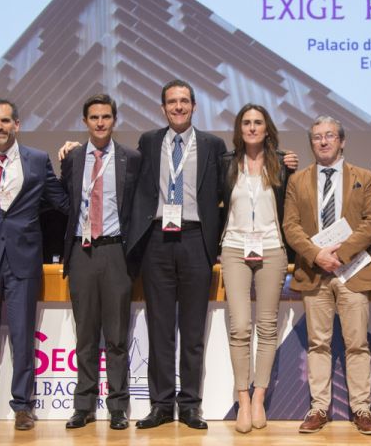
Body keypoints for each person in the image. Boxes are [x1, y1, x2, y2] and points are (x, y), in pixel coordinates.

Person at [0, 99, 69, 432]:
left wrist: (74, 164)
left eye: (5, 121)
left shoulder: (36, 160)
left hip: (23, 258)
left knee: (23, 337)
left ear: (17, 124)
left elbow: (61, 200)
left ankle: (23, 406)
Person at [129, 79, 227, 431]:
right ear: (163, 108)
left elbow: (232, 182)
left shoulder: (214, 145)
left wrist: (281, 158)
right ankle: (160, 404)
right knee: (159, 327)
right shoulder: (149, 141)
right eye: (172, 102)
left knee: (192, 329)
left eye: (185, 101)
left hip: (195, 239)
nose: (179, 107)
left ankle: (190, 405)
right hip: (157, 239)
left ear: (195, 106)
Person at [283, 116, 371, 435]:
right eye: (316, 137)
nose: (323, 141)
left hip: (352, 271)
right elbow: (291, 226)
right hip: (315, 272)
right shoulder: (297, 180)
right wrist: (317, 254)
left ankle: (362, 408)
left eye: (329, 136)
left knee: (357, 343)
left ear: (342, 141)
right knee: (318, 343)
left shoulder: (363, 177)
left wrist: (341, 253)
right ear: (311, 143)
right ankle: (319, 407)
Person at [60, 94, 141, 431]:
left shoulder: (131, 159)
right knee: (86, 335)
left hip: (115, 252)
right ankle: (84, 405)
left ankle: (118, 406)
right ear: (85, 121)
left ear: (114, 120)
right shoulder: (73, 158)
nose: (100, 122)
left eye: (106, 116)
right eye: (94, 117)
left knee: (117, 335)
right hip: (81, 251)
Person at [218, 104, 292, 433]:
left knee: (267, 325)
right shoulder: (226, 164)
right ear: (239, 129)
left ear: (267, 128)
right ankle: (242, 399)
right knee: (240, 326)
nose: (251, 128)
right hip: (234, 248)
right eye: (246, 123)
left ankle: (259, 395)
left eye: (257, 122)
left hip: (272, 248)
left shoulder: (282, 165)